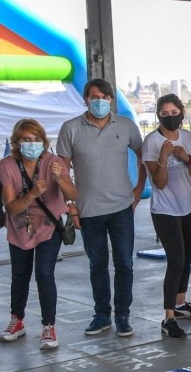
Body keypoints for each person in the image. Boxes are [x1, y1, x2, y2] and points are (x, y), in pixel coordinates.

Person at [57, 78, 146, 337]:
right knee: (97, 265)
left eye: (105, 97)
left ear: (111, 100)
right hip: (88, 210)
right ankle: (102, 315)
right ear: (85, 99)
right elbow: (62, 172)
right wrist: (71, 206)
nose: (100, 101)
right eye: (94, 97)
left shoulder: (126, 126)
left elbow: (143, 156)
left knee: (124, 264)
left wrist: (139, 189)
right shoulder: (70, 128)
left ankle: (123, 316)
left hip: (121, 208)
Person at [0, 119, 77, 349]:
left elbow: (74, 194)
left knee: (44, 273)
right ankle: (17, 320)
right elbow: (11, 208)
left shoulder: (53, 162)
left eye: (36, 139)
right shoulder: (6, 166)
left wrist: (60, 179)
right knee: (20, 275)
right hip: (19, 228)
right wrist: (32, 194)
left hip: (49, 226)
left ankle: (48, 326)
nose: (32, 144)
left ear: (43, 142)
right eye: (26, 139)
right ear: (16, 142)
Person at [142, 94, 191, 339]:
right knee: (176, 260)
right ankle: (168, 317)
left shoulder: (188, 137)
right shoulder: (152, 141)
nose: (170, 117)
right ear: (158, 115)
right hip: (165, 211)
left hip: (188, 207)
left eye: (174, 112)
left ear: (182, 112)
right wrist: (163, 157)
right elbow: (159, 183)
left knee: (187, 258)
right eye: (165, 114)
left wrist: (186, 157)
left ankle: (180, 304)